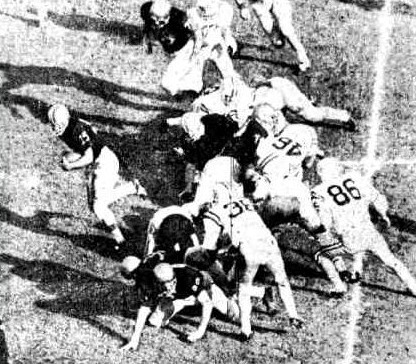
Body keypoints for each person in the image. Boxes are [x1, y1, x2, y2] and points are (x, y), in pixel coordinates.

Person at [185, 156, 303, 340]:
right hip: (268, 243)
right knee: (282, 280)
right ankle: (293, 314)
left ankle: (245, 329)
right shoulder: (246, 202)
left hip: (249, 250)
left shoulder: (216, 212)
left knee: (243, 289)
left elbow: (216, 243)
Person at [312, 157, 416, 296]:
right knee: (391, 260)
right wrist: (383, 215)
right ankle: (413, 286)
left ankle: (339, 286)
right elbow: (377, 198)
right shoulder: (354, 177)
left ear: (321, 173)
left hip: (350, 238)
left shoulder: (318, 191)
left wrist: (321, 234)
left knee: (320, 255)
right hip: (369, 231)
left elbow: (325, 222)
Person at [47, 104, 147, 248]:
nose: (55, 127)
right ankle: (131, 188)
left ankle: (120, 239)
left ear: (64, 120)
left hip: (104, 162)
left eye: (57, 124)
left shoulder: (76, 130)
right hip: (98, 162)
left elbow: (89, 156)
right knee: (94, 205)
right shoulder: (72, 124)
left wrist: (71, 165)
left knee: (99, 206)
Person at [119, 254, 241, 350]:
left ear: (174, 278)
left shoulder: (188, 277)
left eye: (170, 283)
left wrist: (200, 331)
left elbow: (207, 302)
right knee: (154, 321)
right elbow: (144, 309)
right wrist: (134, 339)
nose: (168, 287)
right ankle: (185, 306)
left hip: (205, 288)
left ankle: (231, 296)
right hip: (181, 297)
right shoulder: (153, 281)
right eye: (163, 285)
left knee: (232, 313)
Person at [245, 103, 323, 233]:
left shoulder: (263, 145)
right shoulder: (304, 130)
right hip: (295, 186)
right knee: (314, 223)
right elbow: (308, 164)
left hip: (276, 188)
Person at [161, 0, 237, 96]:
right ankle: (189, 90)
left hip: (216, 44)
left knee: (226, 70)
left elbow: (225, 30)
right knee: (187, 67)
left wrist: (229, 41)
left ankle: (229, 92)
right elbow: (198, 37)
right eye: (203, 10)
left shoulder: (224, 10)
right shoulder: (193, 14)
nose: (206, 14)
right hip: (199, 45)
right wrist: (195, 52)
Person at [234, 0, 310, 71]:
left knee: (286, 29)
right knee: (278, 43)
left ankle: (302, 56)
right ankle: (278, 28)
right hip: (258, 3)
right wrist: (243, 6)